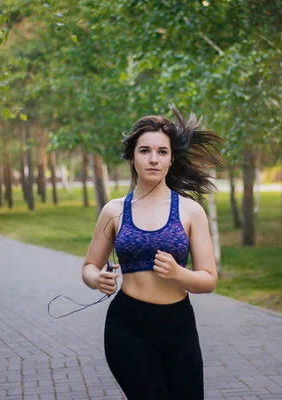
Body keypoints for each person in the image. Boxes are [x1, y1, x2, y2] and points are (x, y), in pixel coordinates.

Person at [81, 105, 225, 400]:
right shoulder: (114, 211)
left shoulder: (189, 211)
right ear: (132, 157)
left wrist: (178, 273)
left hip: (178, 325)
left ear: (172, 159)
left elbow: (208, 280)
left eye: (162, 152)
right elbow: (89, 266)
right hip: (128, 325)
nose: (153, 159)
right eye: (145, 151)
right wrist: (98, 280)